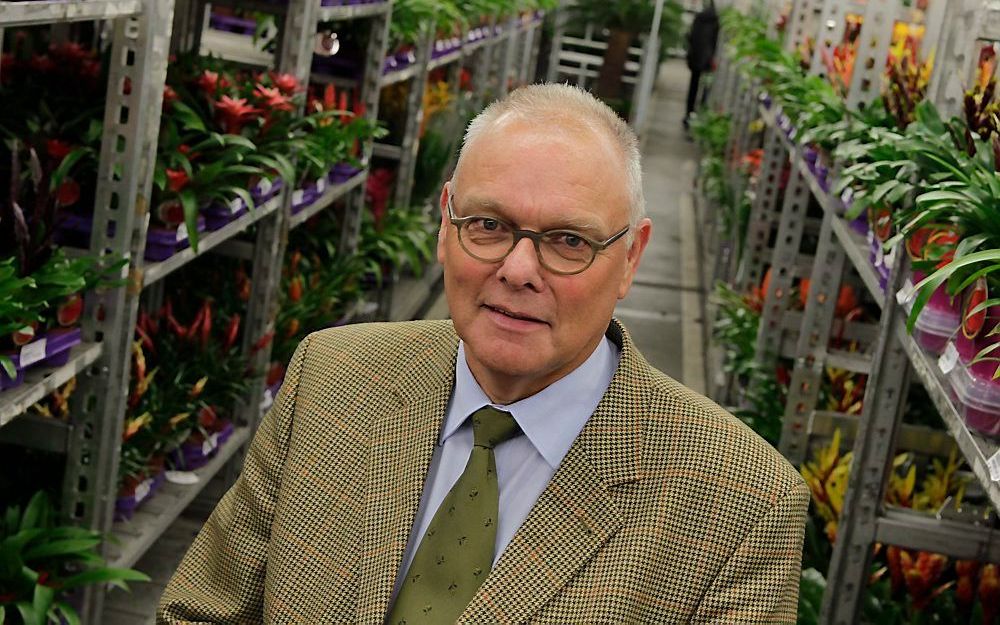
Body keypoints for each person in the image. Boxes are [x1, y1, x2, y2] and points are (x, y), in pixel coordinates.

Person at [158, 83, 808, 624]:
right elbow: (200, 611)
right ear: (446, 223)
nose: (519, 268)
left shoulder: (741, 507)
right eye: (490, 225)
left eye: (567, 241)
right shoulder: (330, 380)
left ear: (631, 256)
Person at [685, 0, 720, 129]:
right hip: (707, 61)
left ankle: (689, 113)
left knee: (693, 87)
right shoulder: (716, 22)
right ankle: (699, 116)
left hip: (696, 58)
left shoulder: (699, 18)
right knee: (705, 89)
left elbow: (691, 37)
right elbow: (714, 42)